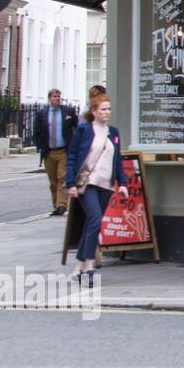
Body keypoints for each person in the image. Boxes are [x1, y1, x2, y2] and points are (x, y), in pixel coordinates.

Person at [65, 95, 128, 288]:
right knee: (94, 219)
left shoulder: (114, 133)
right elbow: (73, 156)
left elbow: (117, 161)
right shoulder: (84, 130)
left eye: (108, 109)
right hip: (87, 183)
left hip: (105, 185)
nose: (107, 112)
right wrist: (70, 184)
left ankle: (78, 266)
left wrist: (123, 183)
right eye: (103, 109)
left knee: (90, 225)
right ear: (93, 112)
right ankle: (89, 265)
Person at [33, 88, 79, 216]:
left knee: (62, 178)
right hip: (49, 152)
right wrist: (40, 146)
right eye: (55, 96)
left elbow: (77, 127)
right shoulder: (42, 114)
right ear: (50, 98)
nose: (57, 98)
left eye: (59, 96)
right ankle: (56, 205)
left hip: (64, 151)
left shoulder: (68, 111)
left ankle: (62, 205)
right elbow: (37, 131)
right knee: (53, 181)